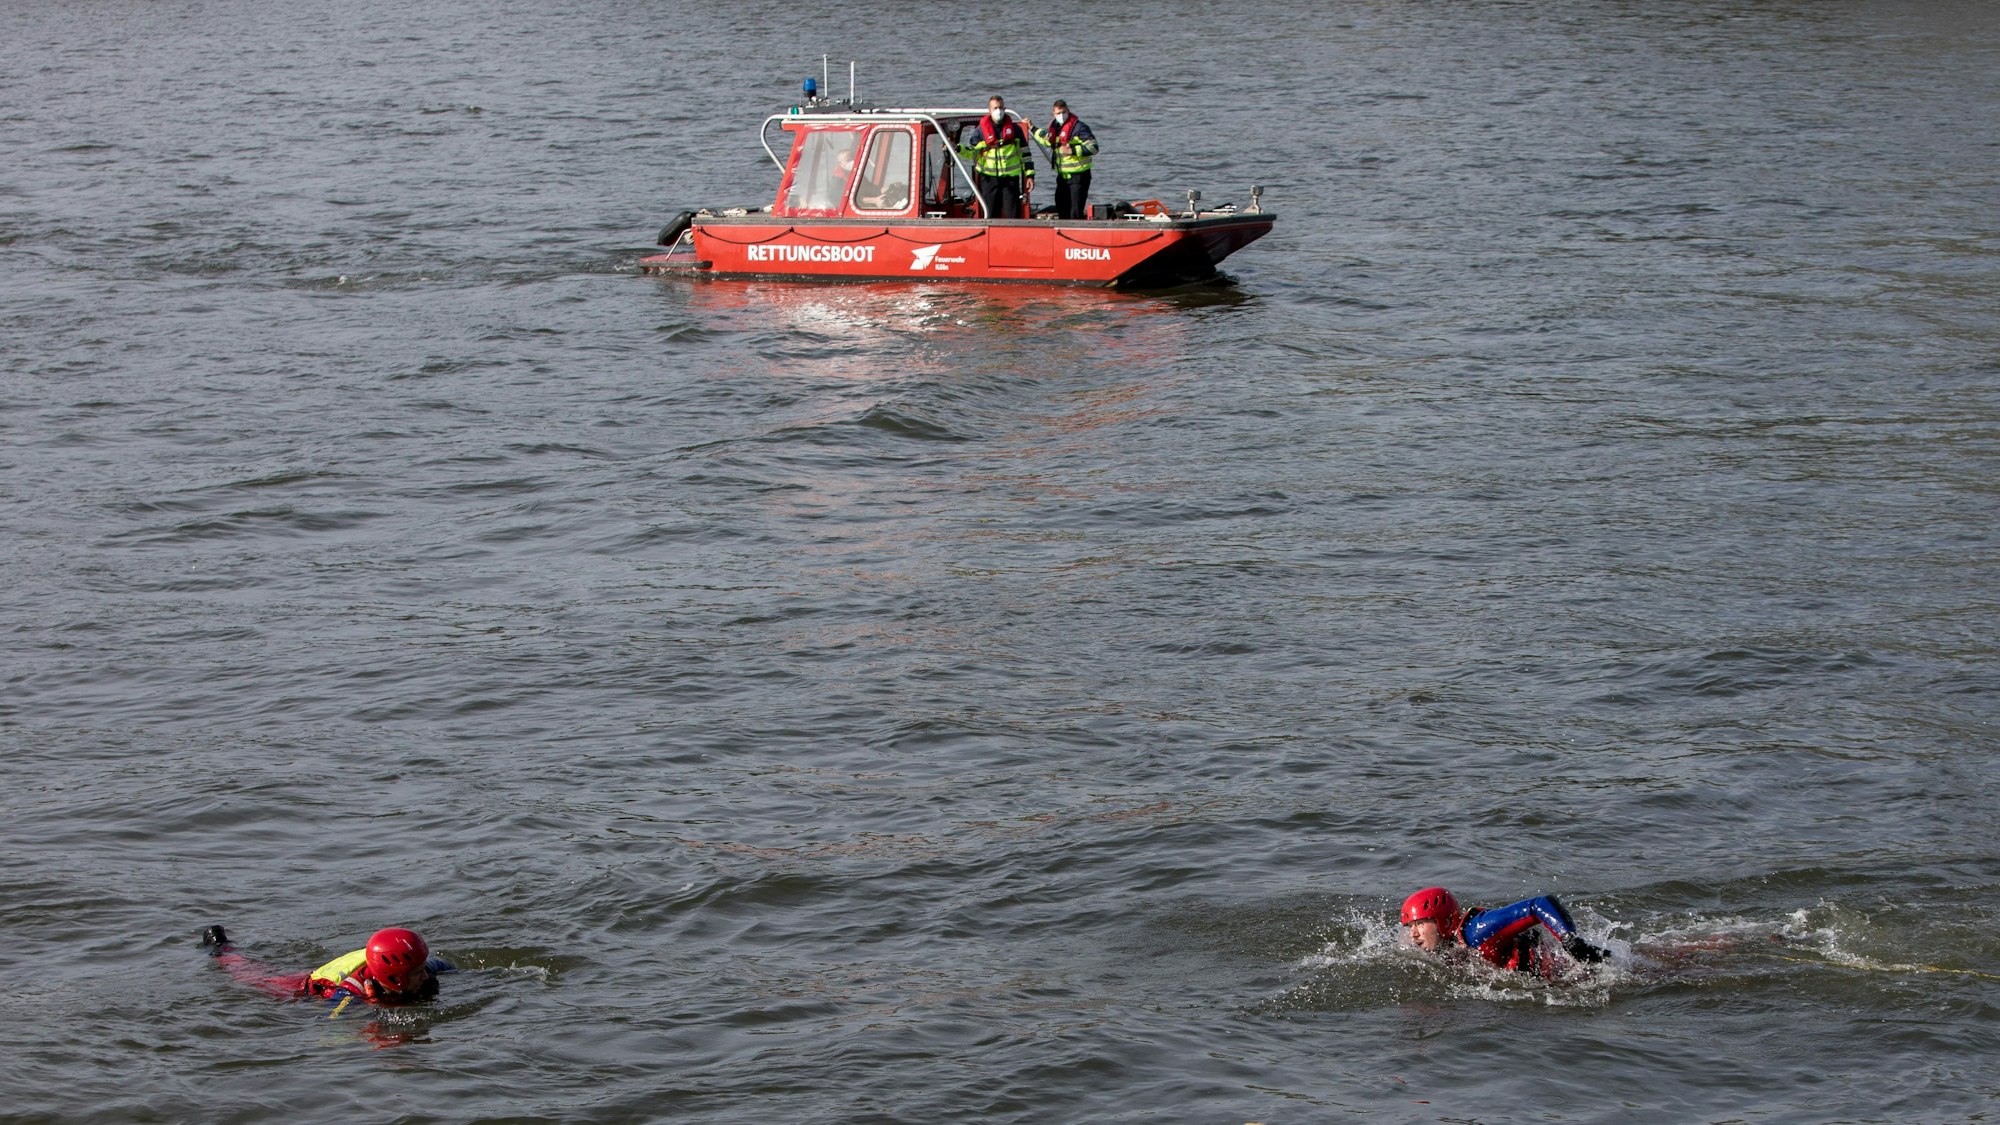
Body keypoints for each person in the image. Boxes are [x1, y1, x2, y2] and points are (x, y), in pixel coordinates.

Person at [200, 924, 451, 1006]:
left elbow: (441, 966)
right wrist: (374, 1011)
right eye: (417, 974)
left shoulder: (420, 968)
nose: (425, 976)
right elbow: (332, 1026)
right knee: (248, 974)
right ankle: (221, 950)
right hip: (304, 989)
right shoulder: (348, 993)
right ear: (394, 977)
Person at [1399, 886, 1611, 978]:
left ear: (1445, 921)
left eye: (1420, 924)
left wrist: (1570, 940)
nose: (1414, 934)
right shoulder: (1442, 946)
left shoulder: (1478, 930)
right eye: (1410, 927)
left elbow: (1539, 904)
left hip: (1575, 972)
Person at [959, 95, 1034, 220]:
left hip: (1010, 179)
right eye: (995, 108)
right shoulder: (980, 132)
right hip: (989, 179)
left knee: (1013, 213)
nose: (998, 111)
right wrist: (957, 148)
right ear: (989, 110)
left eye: (1000, 108)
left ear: (1004, 108)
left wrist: (1030, 175)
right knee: (991, 213)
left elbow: (1025, 154)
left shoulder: (1015, 130)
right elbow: (971, 152)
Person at [1032, 99, 1099, 221]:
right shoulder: (1055, 128)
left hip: (1078, 176)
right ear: (1054, 114)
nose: (1061, 116)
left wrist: (1072, 150)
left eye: (1064, 112)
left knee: (1075, 211)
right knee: (1061, 208)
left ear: (1068, 111)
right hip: (1063, 176)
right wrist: (1032, 128)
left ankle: (1076, 235)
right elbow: (1046, 139)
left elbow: (1093, 148)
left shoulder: (1079, 128)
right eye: (1058, 113)